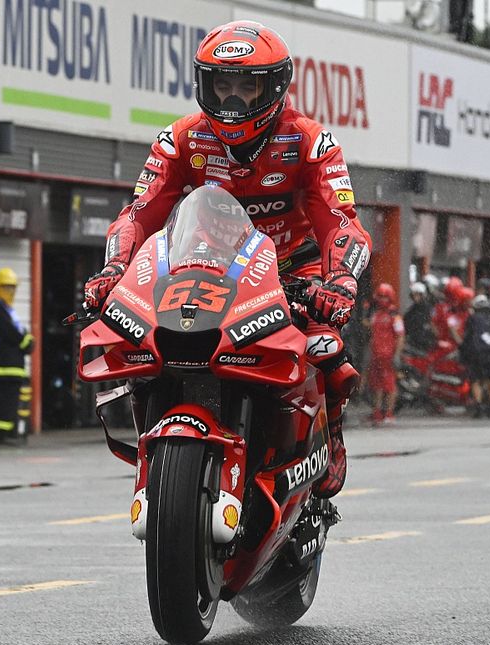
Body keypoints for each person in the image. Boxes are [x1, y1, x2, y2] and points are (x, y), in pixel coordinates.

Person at [81, 21, 371, 499]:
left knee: (325, 349)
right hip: (205, 266)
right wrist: (114, 270)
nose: (232, 99)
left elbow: (341, 221)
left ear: (273, 87)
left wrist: (340, 281)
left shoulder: (312, 142)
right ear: (203, 85)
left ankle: (331, 433)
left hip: (293, 271)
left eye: (246, 85)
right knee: (143, 340)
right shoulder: (179, 140)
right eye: (222, 84)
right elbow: (138, 213)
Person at [0, 267, 34, 444]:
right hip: (6, 364)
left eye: (13, 287)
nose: (11, 291)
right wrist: (26, 342)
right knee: (5, 402)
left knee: (9, 400)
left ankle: (5, 432)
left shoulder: (6, 309)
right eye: (7, 287)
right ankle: (0, 435)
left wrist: (25, 339)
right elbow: (10, 333)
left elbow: (17, 332)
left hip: (14, 364)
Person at [460, 294, 490, 418]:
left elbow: (467, 338)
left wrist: (464, 353)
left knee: (476, 381)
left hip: (477, 355)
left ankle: (479, 407)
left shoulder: (472, 319)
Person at [367, 283, 404, 425]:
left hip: (388, 355)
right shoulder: (375, 314)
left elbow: (400, 336)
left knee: (389, 385)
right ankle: (377, 412)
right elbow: (372, 336)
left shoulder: (394, 315)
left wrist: (397, 355)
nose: (382, 299)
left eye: (384, 296)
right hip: (376, 355)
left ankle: (388, 413)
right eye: (380, 296)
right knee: (376, 384)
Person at [403, 281, 435, 354]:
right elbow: (405, 326)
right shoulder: (410, 311)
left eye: (417, 294)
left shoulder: (430, 309)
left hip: (427, 345)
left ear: (422, 295)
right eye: (413, 295)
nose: (414, 297)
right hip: (413, 344)